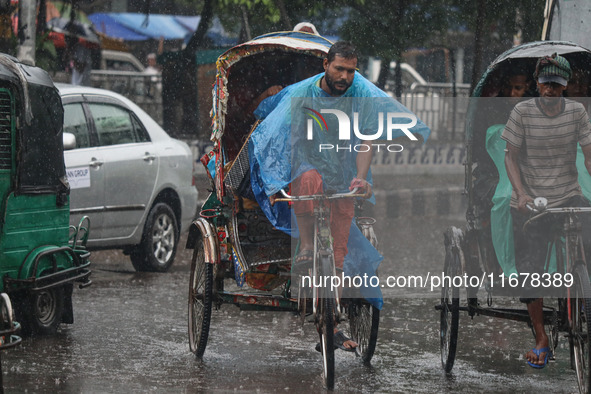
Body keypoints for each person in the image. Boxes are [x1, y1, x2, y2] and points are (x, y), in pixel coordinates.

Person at [249, 41, 429, 351]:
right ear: (325, 66)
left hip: (342, 173)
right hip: (305, 165)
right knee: (307, 179)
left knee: (338, 256)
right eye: (339, 69)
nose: (345, 76)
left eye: (351, 70)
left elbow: (366, 140)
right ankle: (305, 243)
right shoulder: (302, 95)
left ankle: (330, 328)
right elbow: (280, 139)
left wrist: (360, 177)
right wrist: (276, 180)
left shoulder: (361, 94)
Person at [502, 53, 591, 368]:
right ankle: (541, 338)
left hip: (568, 194)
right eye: (546, 84)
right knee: (531, 270)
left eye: (557, 85)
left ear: (564, 86)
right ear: (537, 83)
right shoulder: (522, 112)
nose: (551, 90)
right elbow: (510, 157)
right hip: (532, 201)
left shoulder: (578, 111)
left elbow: (589, 155)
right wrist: (521, 192)